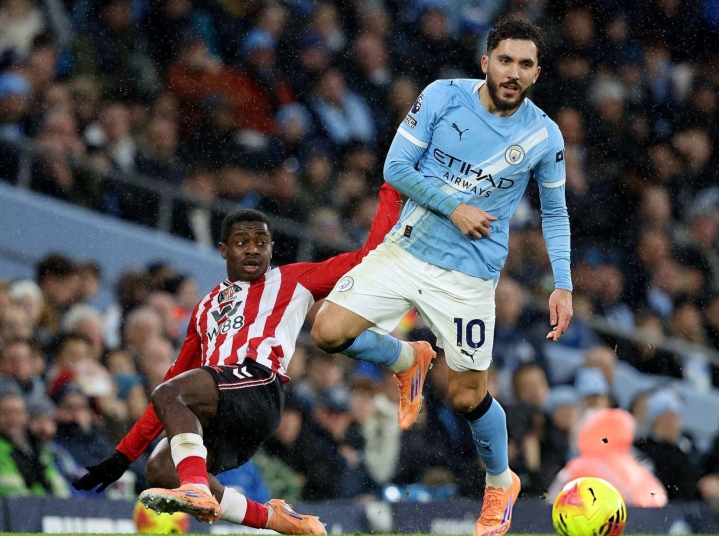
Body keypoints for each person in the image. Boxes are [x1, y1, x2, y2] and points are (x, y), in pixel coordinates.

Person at [310, 17, 573, 536]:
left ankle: (500, 483)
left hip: (468, 278)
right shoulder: (441, 96)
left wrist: (562, 283)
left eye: (524, 64)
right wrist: (453, 208)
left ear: (536, 73)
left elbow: (555, 213)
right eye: (505, 60)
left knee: (467, 397)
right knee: (327, 330)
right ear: (486, 62)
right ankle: (408, 358)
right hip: (405, 251)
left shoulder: (544, 134)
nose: (513, 72)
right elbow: (395, 169)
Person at [71, 183, 401, 534]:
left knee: (172, 399)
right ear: (223, 250)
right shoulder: (204, 308)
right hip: (224, 411)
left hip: (258, 387)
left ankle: (196, 487)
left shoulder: (291, 280)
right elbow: (170, 391)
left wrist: (392, 188)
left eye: (262, 242)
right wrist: (121, 457)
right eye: (242, 242)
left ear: (272, 249)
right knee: (161, 469)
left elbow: (366, 256)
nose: (253, 249)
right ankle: (274, 518)